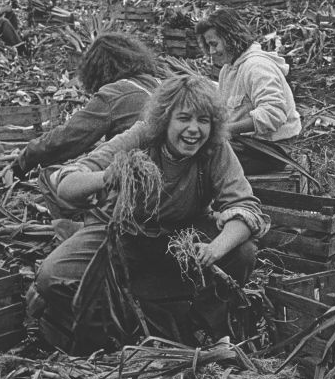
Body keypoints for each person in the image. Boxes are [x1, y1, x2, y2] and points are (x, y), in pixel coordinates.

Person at [31, 74, 269, 355]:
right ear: (165, 119)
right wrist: (109, 176)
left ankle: (203, 326)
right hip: (123, 233)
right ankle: (115, 330)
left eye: (203, 120)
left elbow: (246, 208)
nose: (194, 130)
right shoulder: (141, 138)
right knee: (52, 276)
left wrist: (214, 249)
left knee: (243, 251)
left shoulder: (214, 149)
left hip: (184, 236)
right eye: (184, 118)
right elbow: (67, 184)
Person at [9, 33, 162, 219]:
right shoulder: (159, 85)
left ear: (97, 69)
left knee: (50, 176)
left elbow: (67, 138)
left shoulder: (116, 92)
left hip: (135, 186)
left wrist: (25, 159)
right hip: (166, 180)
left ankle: (79, 224)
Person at [195, 8, 302, 175]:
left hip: (272, 151)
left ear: (230, 38)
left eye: (214, 44)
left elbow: (273, 114)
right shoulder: (228, 70)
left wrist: (225, 130)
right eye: (209, 45)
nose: (211, 52)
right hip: (248, 145)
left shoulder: (257, 66)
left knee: (201, 163)